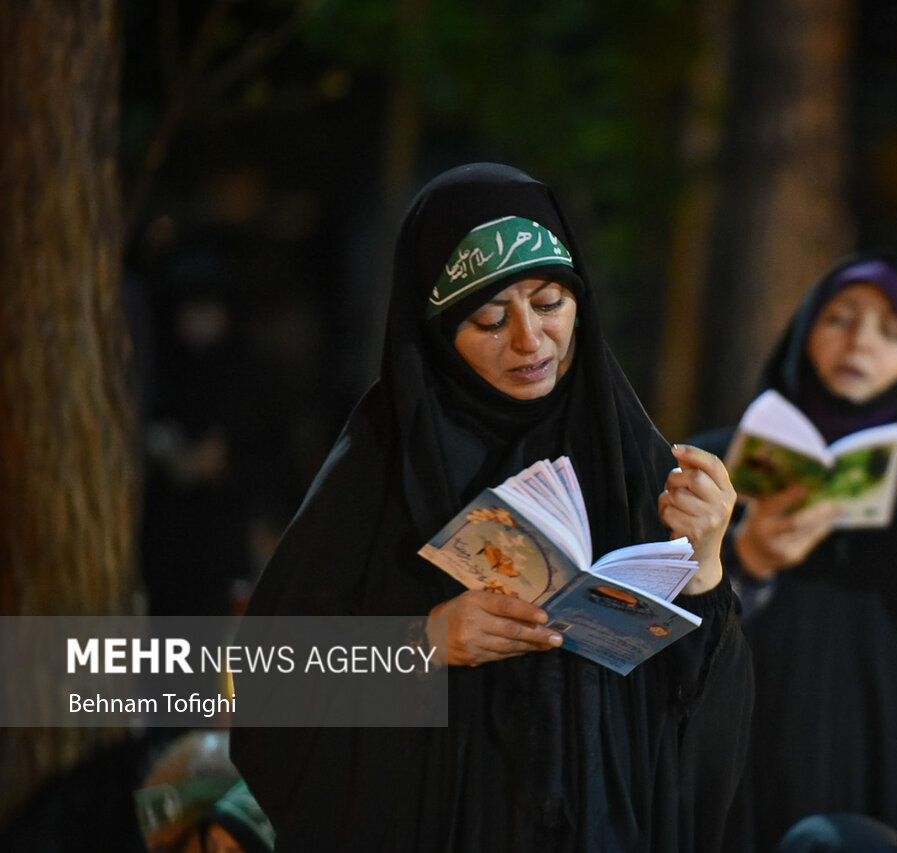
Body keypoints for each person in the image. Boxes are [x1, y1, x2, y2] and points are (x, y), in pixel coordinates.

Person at [230, 162, 752, 851]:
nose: (529, 340)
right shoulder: (381, 469)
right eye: (488, 317)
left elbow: (707, 729)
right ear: (438, 330)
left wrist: (707, 564)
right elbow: (266, 688)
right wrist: (425, 642)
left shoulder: (630, 457)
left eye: (548, 302)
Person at [692, 253, 897, 853]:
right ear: (803, 335)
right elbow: (667, 643)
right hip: (745, 770)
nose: (860, 342)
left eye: (892, 331)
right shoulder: (715, 469)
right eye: (839, 318)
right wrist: (748, 561)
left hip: (889, 775)